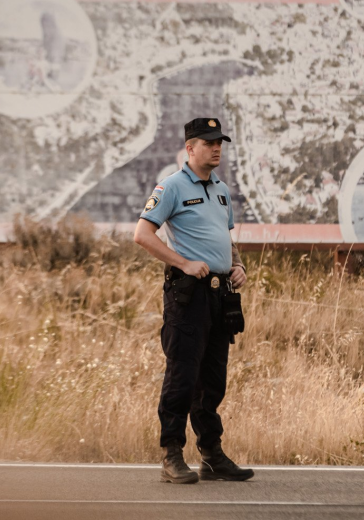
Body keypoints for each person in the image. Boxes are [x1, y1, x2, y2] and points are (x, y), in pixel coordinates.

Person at [134, 117, 254, 484]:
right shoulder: (170, 186)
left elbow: (224, 237)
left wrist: (237, 265)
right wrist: (183, 262)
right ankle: (171, 453)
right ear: (190, 148)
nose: (217, 148)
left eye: (220, 142)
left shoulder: (221, 190)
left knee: (213, 380)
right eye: (208, 142)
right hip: (188, 297)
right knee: (182, 376)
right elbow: (142, 234)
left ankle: (212, 456)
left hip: (221, 295)